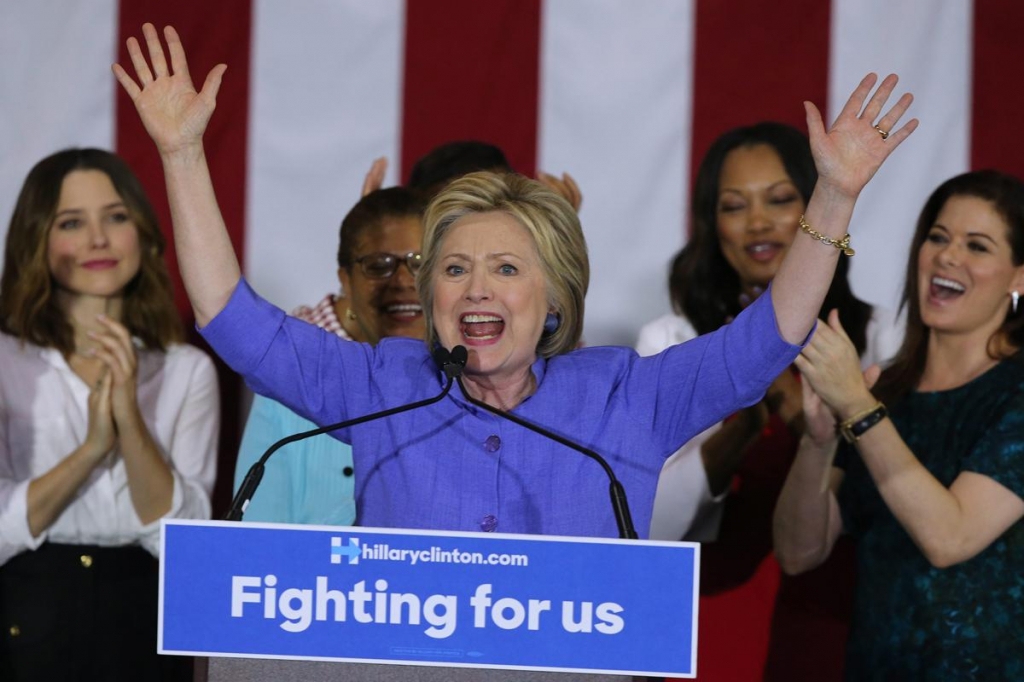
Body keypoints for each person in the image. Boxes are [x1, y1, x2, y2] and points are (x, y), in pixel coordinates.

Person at [113, 23, 915, 538]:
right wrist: (182, 156)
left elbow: (765, 337)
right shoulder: (382, 382)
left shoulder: (624, 397)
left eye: (505, 268)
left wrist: (834, 195)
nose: (475, 290)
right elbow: (229, 316)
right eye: (454, 270)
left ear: (556, 295)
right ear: (430, 301)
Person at [636, 123, 902, 680]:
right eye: (734, 206)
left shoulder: (881, 337)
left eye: (780, 200)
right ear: (713, 225)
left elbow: (893, 496)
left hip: (836, 610)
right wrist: (743, 415)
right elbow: (648, 522)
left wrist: (806, 412)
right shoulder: (673, 342)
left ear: (817, 205)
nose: (758, 222)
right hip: (700, 614)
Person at [774, 169, 1024, 679]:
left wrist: (858, 408)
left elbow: (949, 538)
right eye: (938, 237)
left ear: (1019, 277)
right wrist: (819, 442)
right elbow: (799, 552)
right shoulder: (884, 393)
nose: (948, 257)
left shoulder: (1014, 393)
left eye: (977, 246)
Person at [0, 148, 219, 681]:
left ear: (142, 233)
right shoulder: (6, 363)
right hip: (25, 610)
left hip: (143, 613)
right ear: (37, 241)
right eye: (71, 222)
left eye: (115, 217)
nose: (98, 239)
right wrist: (92, 449)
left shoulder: (188, 369)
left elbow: (185, 542)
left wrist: (129, 420)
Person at [234, 186, 426, 524]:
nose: (402, 281)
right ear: (345, 281)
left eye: (420, 263)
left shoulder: (475, 383)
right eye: (379, 265)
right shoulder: (290, 384)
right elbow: (256, 539)